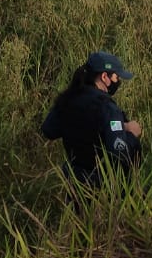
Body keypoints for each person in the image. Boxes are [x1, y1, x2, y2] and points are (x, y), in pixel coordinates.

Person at [39, 50, 142, 187]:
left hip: (74, 181)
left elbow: (49, 130)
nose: (118, 81)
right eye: (117, 77)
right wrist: (132, 135)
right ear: (105, 76)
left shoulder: (68, 99)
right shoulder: (107, 107)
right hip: (103, 186)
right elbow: (119, 153)